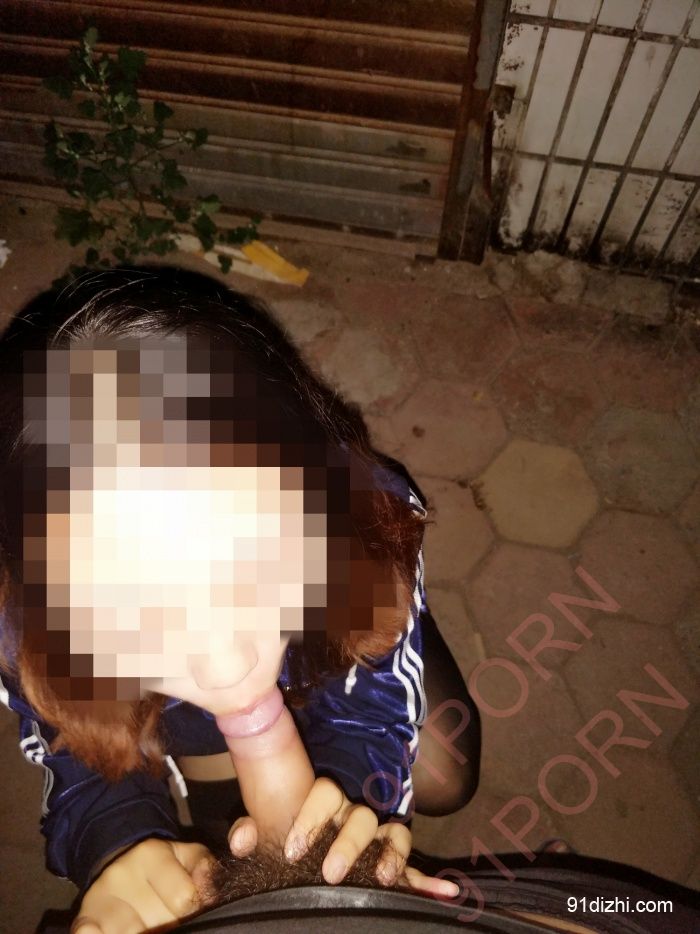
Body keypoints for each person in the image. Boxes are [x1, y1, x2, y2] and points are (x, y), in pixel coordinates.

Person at [0, 266, 480, 933]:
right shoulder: (22, 630)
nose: (226, 666)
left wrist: (349, 794)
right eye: (137, 611)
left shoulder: (363, 511)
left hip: (328, 641)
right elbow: (75, 746)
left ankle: (398, 640)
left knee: (446, 769)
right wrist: (118, 844)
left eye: (246, 562)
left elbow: (373, 716)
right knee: (232, 828)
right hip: (167, 715)